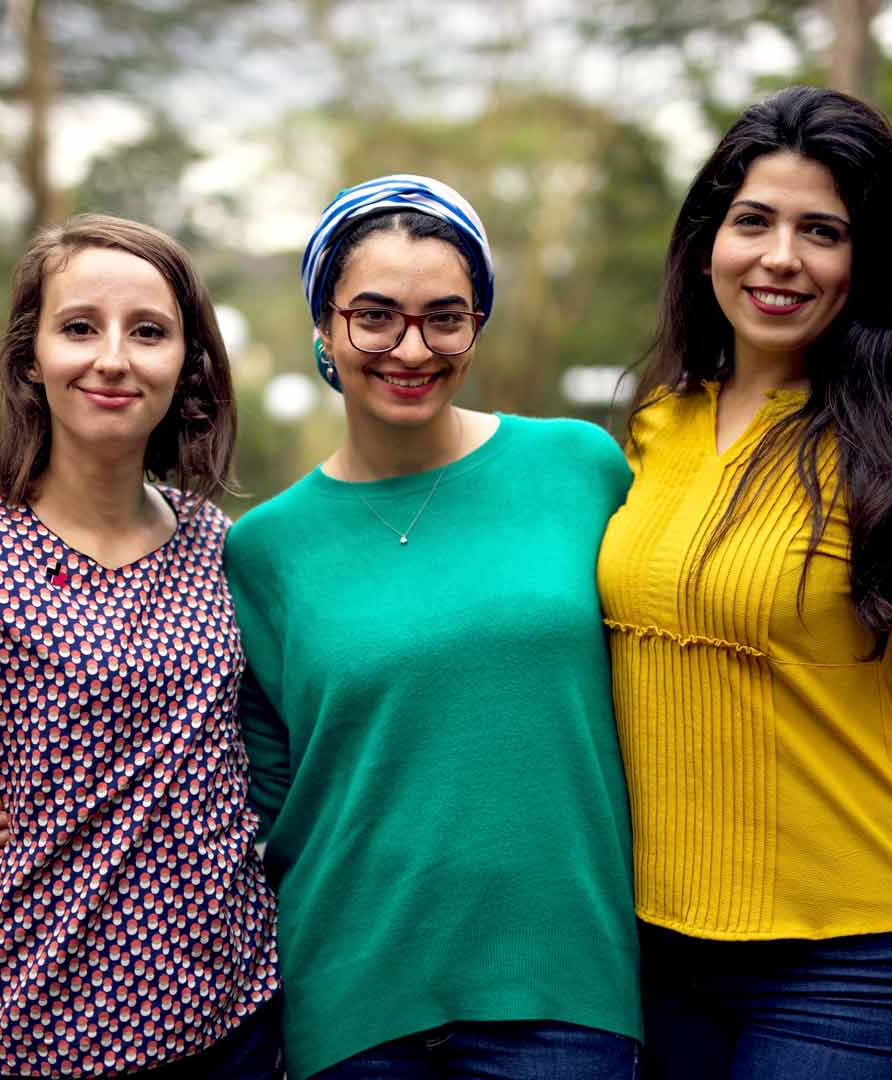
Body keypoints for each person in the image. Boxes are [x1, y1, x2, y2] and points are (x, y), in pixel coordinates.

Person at [224, 175, 643, 1078]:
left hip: (562, 993)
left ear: (477, 326)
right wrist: (27, 799)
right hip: (351, 1004)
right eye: (374, 316)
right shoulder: (262, 551)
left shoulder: (579, 468)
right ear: (325, 329)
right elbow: (240, 787)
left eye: (444, 317)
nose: (409, 347)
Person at [596, 85, 892, 1080]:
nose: (780, 258)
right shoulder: (652, 425)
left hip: (848, 964)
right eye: (753, 220)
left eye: (822, 231)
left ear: (866, 258)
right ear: (706, 239)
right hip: (652, 952)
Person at [0, 214, 281, 1080]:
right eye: (79, 327)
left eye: (148, 331)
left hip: (236, 1029)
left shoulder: (230, 550)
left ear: (187, 363)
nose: (113, 358)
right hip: (34, 1034)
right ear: (30, 357)